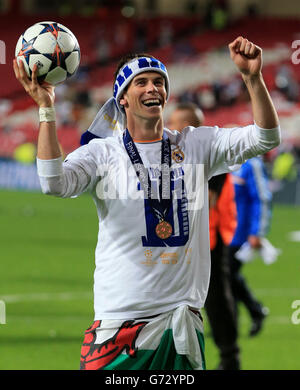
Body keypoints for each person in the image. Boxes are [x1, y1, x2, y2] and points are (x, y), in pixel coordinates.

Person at [13, 36, 280, 370]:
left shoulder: (197, 144)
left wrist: (253, 79)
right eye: (141, 82)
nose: (153, 87)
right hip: (119, 326)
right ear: (122, 98)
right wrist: (46, 108)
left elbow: (266, 137)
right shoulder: (103, 153)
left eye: (159, 82)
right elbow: (53, 182)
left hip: (180, 327)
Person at [168, 102, 240, 370]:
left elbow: (202, 199)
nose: (170, 129)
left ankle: (230, 355)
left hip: (209, 238)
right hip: (185, 239)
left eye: (175, 124)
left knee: (217, 297)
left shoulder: (209, 154)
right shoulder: (177, 153)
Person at [229, 156, 272, 337]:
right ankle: (233, 320)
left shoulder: (251, 163)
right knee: (223, 276)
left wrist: (257, 231)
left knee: (228, 273)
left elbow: (261, 198)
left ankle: (253, 311)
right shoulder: (223, 159)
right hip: (221, 230)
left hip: (240, 232)